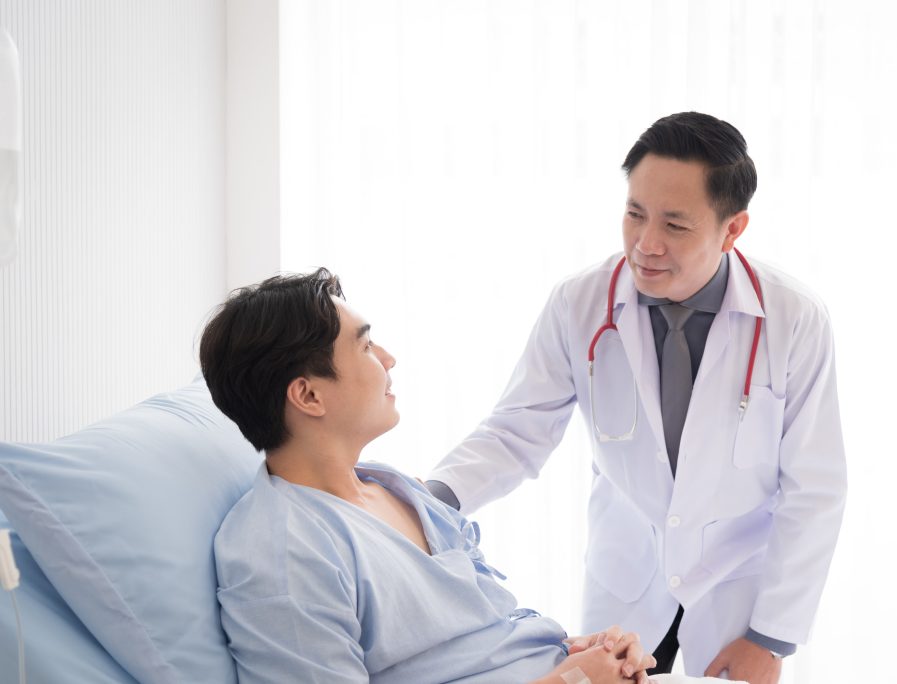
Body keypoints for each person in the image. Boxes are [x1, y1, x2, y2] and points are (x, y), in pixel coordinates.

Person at [424, 112, 847, 683]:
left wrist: (769, 639)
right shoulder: (580, 303)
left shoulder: (793, 317)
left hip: (736, 600)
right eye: (634, 214)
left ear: (732, 229)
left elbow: (814, 487)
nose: (646, 245)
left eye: (675, 225)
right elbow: (516, 430)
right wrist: (424, 503)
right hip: (624, 593)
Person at [198, 269, 664, 684]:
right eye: (364, 345)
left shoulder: (391, 487)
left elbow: (487, 636)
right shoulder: (283, 553)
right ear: (308, 395)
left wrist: (588, 653)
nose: (388, 358)